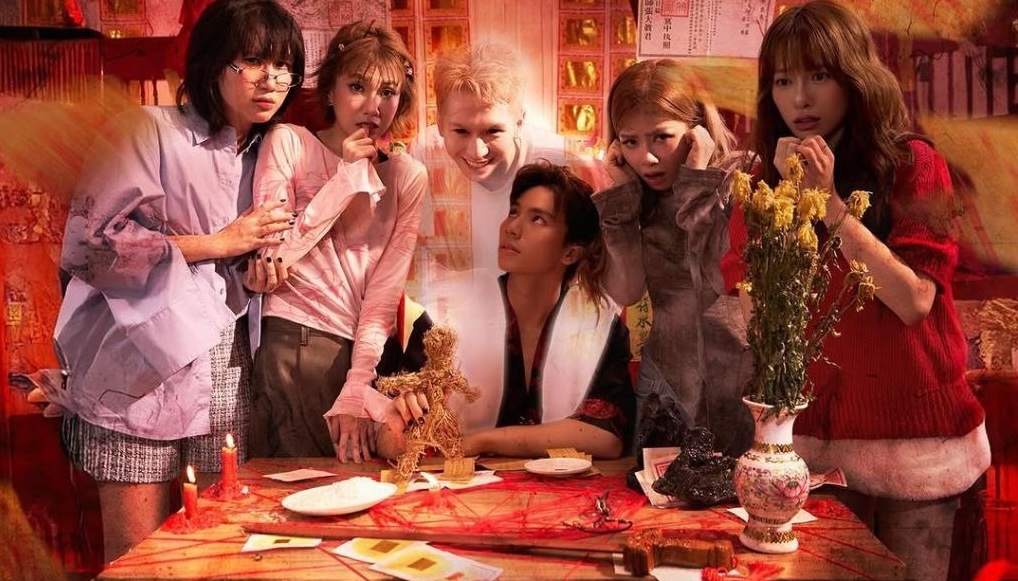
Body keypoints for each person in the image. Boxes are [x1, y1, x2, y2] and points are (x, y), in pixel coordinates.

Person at [721, 2, 990, 579]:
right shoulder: (763, 182)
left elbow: (914, 301)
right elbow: (761, 323)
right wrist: (783, 204)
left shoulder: (913, 164)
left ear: (853, 78)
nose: (800, 98)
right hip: (814, 447)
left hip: (917, 445)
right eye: (783, 81)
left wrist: (831, 203)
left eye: (819, 75)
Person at [53, 0, 303, 562]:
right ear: (212, 61)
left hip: (225, 374)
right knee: (137, 558)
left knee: (218, 552)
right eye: (253, 61)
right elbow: (90, 246)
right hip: (135, 372)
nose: (272, 79)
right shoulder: (147, 129)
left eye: (285, 66)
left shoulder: (274, 153)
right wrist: (220, 243)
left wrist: (259, 276)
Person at [246, 21, 426, 462]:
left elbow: (383, 293)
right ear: (330, 91)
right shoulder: (288, 142)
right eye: (357, 87)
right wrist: (345, 179)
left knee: (365, 490)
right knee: (299, 489)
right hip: (296, 343)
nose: (373, 106)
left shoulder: (407, 176)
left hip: (365, 356)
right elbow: (273, 257)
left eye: (388, 92)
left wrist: (358, 383)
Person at [377, 162, 635, 460]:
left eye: (538, 219)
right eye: (514, 212)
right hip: (466, 485)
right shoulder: (450, 314)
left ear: (570, 252)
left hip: (563, 484)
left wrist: (483, 441)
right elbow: (392, 439)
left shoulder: (596, 323)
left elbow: (605, 437)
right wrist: (394, 423)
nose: (512, 228)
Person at [593, 58, 754, 456]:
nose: (646, 158)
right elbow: (627, 291)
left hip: (735, 381)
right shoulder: (636, 195)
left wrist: (697, 185)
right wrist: (623, 201)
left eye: (661, 137)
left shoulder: (741, 180)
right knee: (653, 492)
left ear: (696, 130)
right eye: (630, 141)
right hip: (665, 382)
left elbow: (717, 278)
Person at [410, 41, 602, 276]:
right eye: (460, 131)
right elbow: (413, 252)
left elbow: (597, 264)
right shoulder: (425, 155)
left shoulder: (570, 165)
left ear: (519, 122)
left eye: (492, 131)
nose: (476, 151)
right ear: (440, 124)